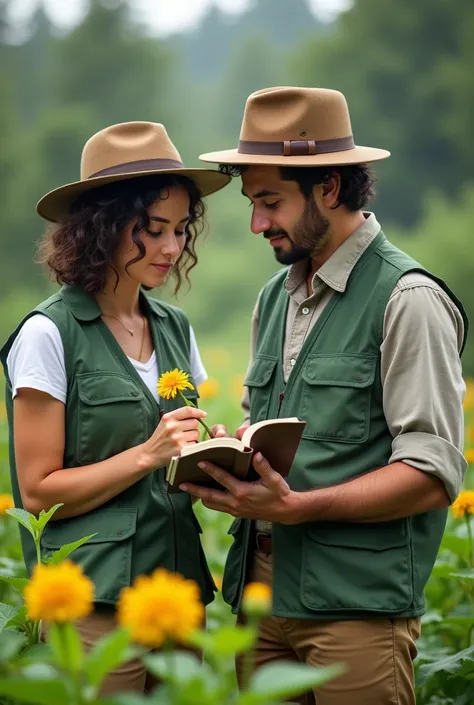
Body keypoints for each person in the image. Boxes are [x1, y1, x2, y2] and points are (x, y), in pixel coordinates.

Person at [180, 87, 469, 705]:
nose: (257, 223)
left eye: (270, 202)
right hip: (260, 604)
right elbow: (279, 442)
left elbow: (431, 470)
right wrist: (231, 459)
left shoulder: (408, 299)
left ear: (330, 189)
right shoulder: (272, 299)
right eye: (252, 202)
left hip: (356, 614)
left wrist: (298, 507)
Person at [0, 121, 230, 695]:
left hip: (178, 595)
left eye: (180, 230)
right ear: (101, 229)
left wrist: (217, 451)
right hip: (95, 606)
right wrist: (148, 454)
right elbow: (36, 492)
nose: (171, 248)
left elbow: (177, 456)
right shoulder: (47, 334)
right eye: (151, 230)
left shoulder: (174, 326)